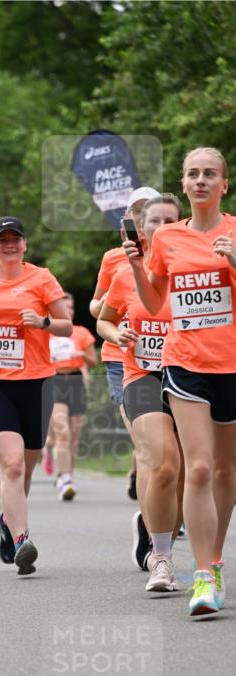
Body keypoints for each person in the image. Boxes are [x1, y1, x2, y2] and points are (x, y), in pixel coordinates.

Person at [125, 148, 236, 616]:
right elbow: (153, 303)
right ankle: (204, 574)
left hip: (231, 363)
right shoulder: (167, 237)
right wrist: (135, 263)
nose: (201, 181)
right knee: (200, 468)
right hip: (185, 363)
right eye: (193, 174)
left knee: (227, 472)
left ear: (224, 185)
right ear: (184, 184)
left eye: (210, 174)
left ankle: (213, 558)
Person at [0, 217, 72, 575]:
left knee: (24, 468)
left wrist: (41, 322)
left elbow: (66, 325)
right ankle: (23, 539)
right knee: (10, 465)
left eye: (15, 239)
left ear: (24, 244)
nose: (9, 244)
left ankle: (7, 521)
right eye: (2, 239)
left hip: (37, 383)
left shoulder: (41, 278)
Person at [98, 193, 184, 592]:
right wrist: (120, 334)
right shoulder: (125, 272)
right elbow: (105, 321)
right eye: (154, 221)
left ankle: (161, 527)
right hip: (141, 374)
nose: (162, 227)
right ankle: (160, 557)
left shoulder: (196, 270)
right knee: (162, 462)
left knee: (186, 472)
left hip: (190, 373)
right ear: (142, 228)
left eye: (171, 220)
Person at [90, 186, 161, 500]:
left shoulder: (174, 252)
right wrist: (108, 303)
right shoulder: (113, 258)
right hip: (122, 356)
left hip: (170, 358)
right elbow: (96, 308)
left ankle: (153, 487)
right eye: (137, 210)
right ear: (129, 218)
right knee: (144, 438)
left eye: (149, 209)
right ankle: (154, 516)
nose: (143, 216)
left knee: (165, 441)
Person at [48, 292, 97, 500]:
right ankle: (65, 478)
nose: (68, 311)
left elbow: (93, 362)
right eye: (64, 308)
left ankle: (65, 475)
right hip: (53, 381)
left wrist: (82, 355)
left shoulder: (81, 332)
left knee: (74, 438)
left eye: (71, 308)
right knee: (63, 433)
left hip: (75, 381)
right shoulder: (46, 332)